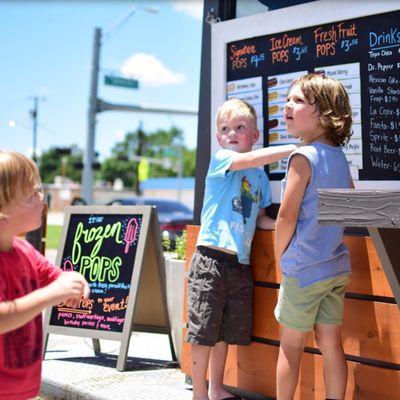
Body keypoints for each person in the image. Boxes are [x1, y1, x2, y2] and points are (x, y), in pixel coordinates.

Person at [186, 98, 297, 400]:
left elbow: (259, 219)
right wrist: (295, 148)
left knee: (224, 332)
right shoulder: (222, 160)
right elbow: (247, 161)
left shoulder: (260, 177)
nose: (232, 133)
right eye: (225, 128)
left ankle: (216, 387)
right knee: (203, 328)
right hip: (210, 258)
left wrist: (285, 223)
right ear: (219, 138)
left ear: (255, 136)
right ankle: (198, 392)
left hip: (239, 263)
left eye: (240, 127)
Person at [274, 73, 354, 400]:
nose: (287, 105)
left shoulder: (302, 157)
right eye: (288, 99)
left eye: (297, 100)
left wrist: (281, 258)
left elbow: (286, 215)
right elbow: (348, 204)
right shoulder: (338, 158)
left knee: (290, 347)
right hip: (335, 268)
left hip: (303, 269)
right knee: (331, 345)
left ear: (323, 113)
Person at [0, 150, 90, 400]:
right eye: (32, 194)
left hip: (21, 389)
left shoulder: (24, 250)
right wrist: (51, 295)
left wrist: (72, 282)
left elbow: (56, 276)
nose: (42, 198)